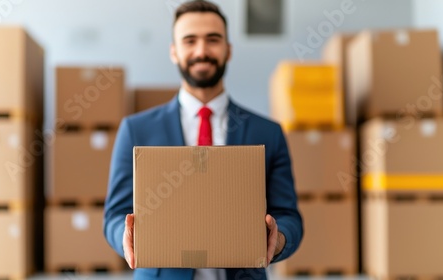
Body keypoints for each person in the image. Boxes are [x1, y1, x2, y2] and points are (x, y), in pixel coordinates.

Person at [103, 1, 303, 279]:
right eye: (189, 41)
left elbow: (290, 216)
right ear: (174, 52)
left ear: (228, 49)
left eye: (213, 40)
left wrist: (277, 239)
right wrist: (124, 236)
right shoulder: (137, 129)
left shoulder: (267, 133)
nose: (201, 51)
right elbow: (114, 215)